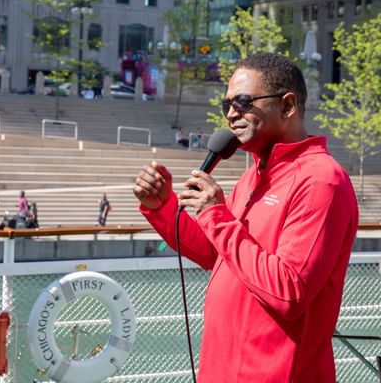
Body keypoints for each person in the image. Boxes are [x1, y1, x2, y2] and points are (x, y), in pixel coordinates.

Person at [133, 52, 359, 382]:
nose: (231, 114)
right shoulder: (252, 176)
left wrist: (216, 215)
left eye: (242, 101)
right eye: (227, 105)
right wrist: (161, 207)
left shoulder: (321, 180)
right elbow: (220, 254)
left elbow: (289, 292)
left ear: (287, 105)